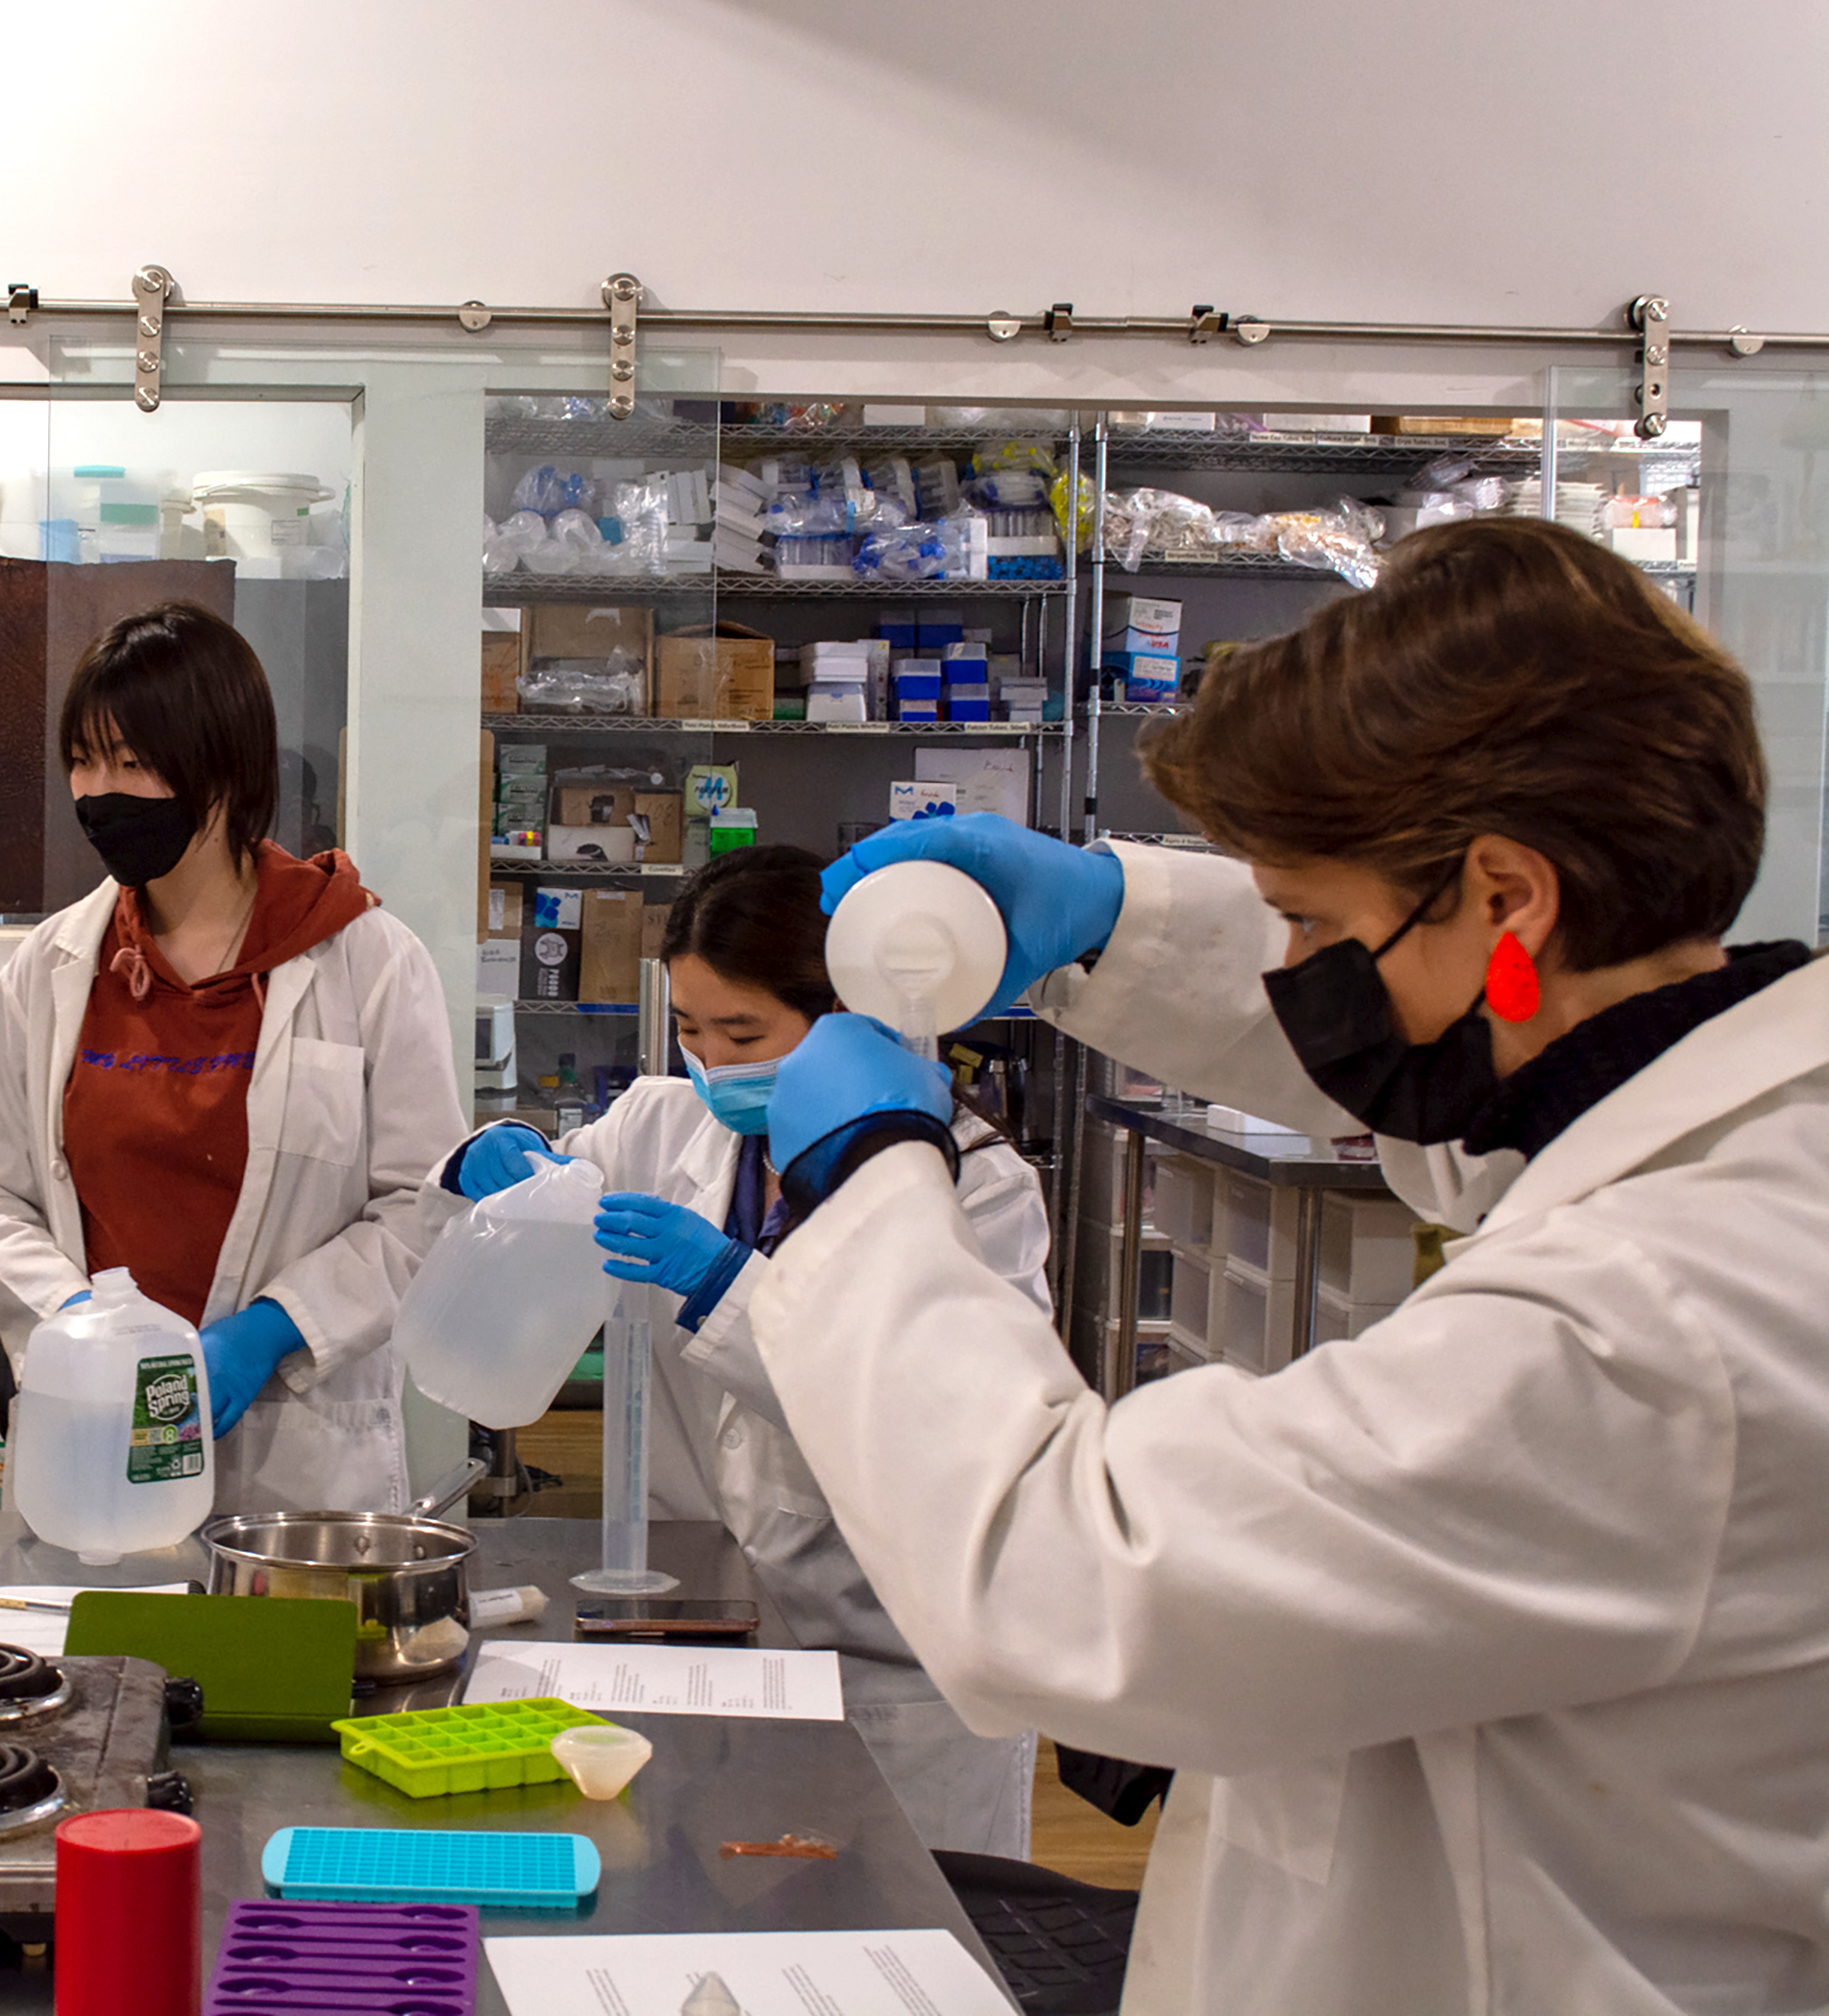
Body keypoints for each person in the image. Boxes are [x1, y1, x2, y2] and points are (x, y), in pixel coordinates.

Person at [747, 518, 1826, 2010]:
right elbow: (1477, 1112)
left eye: (1311, 919)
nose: (1294, 968)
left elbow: (1074, 1573)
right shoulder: (1703, 1119)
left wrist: (869, 1181)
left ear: (1509, 897)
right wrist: (1111, 922)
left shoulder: (1664, 1318)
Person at [431, 846, 1051, 1856]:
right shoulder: (658, 1124)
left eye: (743, 1032)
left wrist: (731, 1287)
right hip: (691, 1631)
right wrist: (482, 1160)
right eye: (688, 1028)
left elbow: (940, 1425)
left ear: (851, 1023)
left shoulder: (977, 1190)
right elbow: (515, 1203)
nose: (711, 1064)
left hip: (892, 1663)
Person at [0, 602, 463, 1513]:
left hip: (292, 1452)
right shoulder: (56, 963)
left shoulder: (364, 960)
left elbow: (425, 1207)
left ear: (220, 767)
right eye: (83, 758)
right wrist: (73, 1319)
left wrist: (272, 1329)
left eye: (134, 763)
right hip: (89, 1438)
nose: (98, 791)